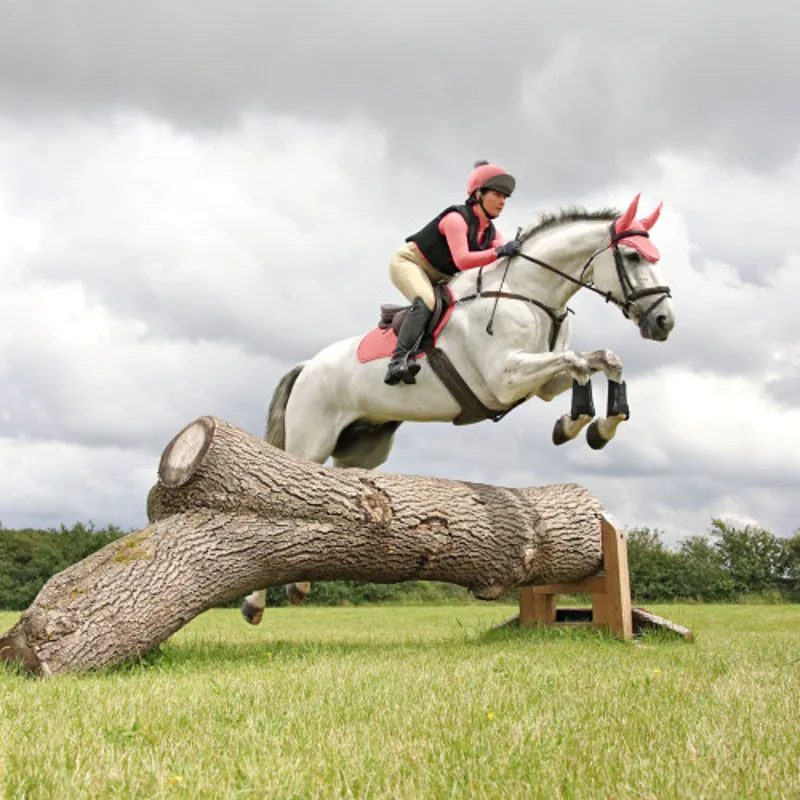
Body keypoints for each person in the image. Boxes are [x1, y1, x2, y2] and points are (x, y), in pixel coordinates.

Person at [384, 160, 521, 385]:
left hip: (440, 277)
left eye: (505, 197)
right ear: (478, 194)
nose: (502, 201)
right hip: (410, 264)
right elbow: (463, 260)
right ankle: (397, 361)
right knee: (427, 302)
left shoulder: (490, 233)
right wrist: (499, 252)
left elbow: (501, 252)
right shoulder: (456, 219)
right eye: (497, 194)